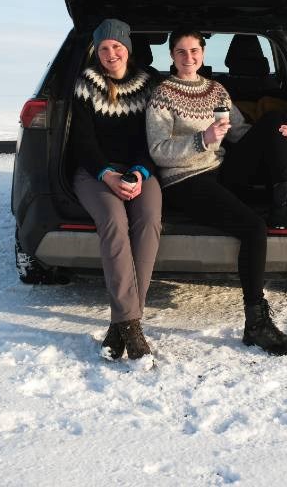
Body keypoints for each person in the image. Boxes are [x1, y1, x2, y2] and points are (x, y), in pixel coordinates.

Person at [146, 29, 287, 356]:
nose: (188, 57)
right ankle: (256, 324)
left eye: (194, 51)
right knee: (254, 228)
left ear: (203, 53)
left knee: (276, 120)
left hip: (220, 170)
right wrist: (202, 139)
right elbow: (158, 151)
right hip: (184, 180)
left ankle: (285, 202)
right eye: (181, 51)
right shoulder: (163, 94)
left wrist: (282, 134)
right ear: (171, 55)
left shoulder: (216, 91)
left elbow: (240, 133)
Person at [69, 18, 161, 367]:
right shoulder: (86, 83)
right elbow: (82, 142)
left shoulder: (149, 85)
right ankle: (132, 328)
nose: (111, 53)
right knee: (114, 221)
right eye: (104, 48)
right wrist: (107, 175)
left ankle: (121, 324)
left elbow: (154, 137)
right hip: (94, 172)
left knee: (149, 221)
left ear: (128, 49)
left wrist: (138, 173)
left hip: (140, 170)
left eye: (117, 46)